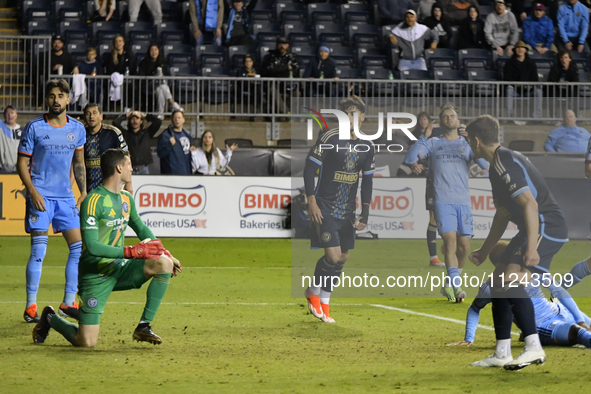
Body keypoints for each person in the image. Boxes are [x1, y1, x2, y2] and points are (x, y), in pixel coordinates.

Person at [32, 148, 182, 347]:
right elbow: (92, 246)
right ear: (119, 168)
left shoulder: (127, 199)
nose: (131, 169)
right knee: (86, 342)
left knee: (163, 264)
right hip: (96, 274)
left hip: (120, 267)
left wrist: (165, 252)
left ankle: (143, 326)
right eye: (129, 165)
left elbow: (141, 228)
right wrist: (131, 252)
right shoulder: (93, 201)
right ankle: (51, 317)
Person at [466, 115, 571, 370]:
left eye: (469, 139)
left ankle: (534, 347)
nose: (469, 144)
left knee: (512, 281)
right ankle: (502, 352)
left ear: (476, 141)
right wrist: (486, 250)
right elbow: (502, 214)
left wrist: (533, 248)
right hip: (530, 227)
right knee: (499, 282)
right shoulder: (498, 164)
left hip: (546, 225)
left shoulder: (503, 162)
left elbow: (530, 204)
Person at [16, 80, 87, 323]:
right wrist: (33, 192)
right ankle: (30, 306)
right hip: (41, 197)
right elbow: (21, 164)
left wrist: (83, 191)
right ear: (46, 100)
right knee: (38, 252)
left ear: (68, 100)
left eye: (61, 95)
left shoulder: (77, 129)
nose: (56, 100)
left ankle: (68, 302)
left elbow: (79, 163)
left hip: (66, 198)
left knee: (78, 249)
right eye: (51, 96)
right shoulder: (34, 127)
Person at [405, 106, 488, 301]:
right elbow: (410, 159)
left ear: (459, 121)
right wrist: (423, 137)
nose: (449, 119)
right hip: (443, 201)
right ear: (441, 123)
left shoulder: (466, 144)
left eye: (453, 116)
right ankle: (457, 288)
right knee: (450, 243)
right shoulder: (433, 143)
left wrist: (473, 141)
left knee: (464, 247)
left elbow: (484, 165)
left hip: (463, 202)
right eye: (445, 117)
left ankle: (449, 284)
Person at [304, 96, 375, 323]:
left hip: (347, 211)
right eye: (346, 114)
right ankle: (313, 293)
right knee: (332, 256)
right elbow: (308, 169)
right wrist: (311, 200)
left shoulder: (368, 146)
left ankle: (325, 301)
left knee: (343, 256)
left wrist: (365, 211)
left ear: (363, 117)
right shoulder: (329, 138)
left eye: (354, 114)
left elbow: (368, 181)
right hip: (325, 207)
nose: (350, 118)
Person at [450, 241, 591, 350]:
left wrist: (579, 319)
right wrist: (469, 338)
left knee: (580, 327)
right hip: (544, 325)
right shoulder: (491, 287)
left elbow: (559, 292)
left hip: (559, 310)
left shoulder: (532, 269)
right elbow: (475, 308)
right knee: (577, 332)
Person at [83, 103, 130, 193]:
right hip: (87, 189)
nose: (91, 116)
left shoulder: (112, 133)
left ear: (101, 116)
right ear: (84, 117)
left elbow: (126, 156)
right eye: (88, 113)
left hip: (110, 187)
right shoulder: (80, 134)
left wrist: (128, 182)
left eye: (94, 113)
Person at [137, 45, 183, 118]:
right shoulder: (144, 62)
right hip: (148, 84)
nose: (154, 52)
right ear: (149, 52)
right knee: (159, 75)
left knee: (160, 88)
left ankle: (160, 113)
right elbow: (142, 76)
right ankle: (172, 103)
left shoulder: (163, 62)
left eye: (155, 50)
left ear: (159, 51)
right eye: (152, 50)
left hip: (160, 85)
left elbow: (168, 75)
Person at [503, 41, 542, 122]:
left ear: (525, 50)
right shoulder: (509, 63)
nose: (520, 49)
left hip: (528, 90)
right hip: (515, 90)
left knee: (538, 91)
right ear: (515, 50)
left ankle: (537, 116)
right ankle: (509, 115)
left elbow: (535, 79)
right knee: (509, 89)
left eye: (522, 48)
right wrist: (516, 84)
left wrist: (528, 86)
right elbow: (507, 78)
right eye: (518, 48)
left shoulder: (531, 63)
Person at [113, 110, 162, 174]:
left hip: (144, 168)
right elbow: (115, 122)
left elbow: (158, 122)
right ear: (129, 121)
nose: (135, 121)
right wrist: (125, 116)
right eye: (132, 118)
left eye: (137, 118)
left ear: (141, 121)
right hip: (129, 168)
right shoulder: (125, 134)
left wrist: (146, 116)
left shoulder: (147, 133)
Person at [261, 36, 300, 116]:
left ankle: (289, 112)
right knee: (272, 91)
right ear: (277, 45)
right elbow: (271, 70)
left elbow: (296, 71)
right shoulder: (270, 57)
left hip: (288, 84)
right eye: (280, 44)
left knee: (297, 93)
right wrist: (286, 68)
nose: (282, 46)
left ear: (288, 45)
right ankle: (286, 113)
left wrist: (279, 69)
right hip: (274, 84)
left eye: (284, 44)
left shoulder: (293, 57)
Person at [157, 110, 193, 175]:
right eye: (175, 118)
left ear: (183, 120)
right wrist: (169, 145)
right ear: (172, 120)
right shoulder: (165, 135)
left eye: (179, 118)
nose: (177, 120)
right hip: (172, 175)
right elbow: (160, 154)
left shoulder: (188, 135)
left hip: (186, 173)